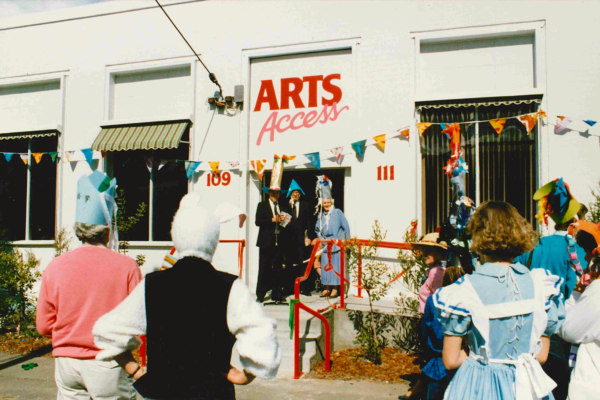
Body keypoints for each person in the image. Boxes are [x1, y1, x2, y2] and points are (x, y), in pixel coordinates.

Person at [93, 193, 281, 400]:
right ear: (213, 240)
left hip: (162, 393)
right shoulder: (230, 286)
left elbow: (107, 331)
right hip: (214, 393)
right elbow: (264, 341)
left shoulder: (151, 284)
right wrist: (243, 376)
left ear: (176, 236)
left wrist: (136, 372)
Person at [434, 201, 565, 400]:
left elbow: (451, 360)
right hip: (527, 386)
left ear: (478, 236)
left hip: (480, 384)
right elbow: (541, 356)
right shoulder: (541, 285)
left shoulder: (465, 289)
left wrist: (478, 357)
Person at [36, 170, 141, 400]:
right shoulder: (126, 267)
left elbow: (44, 326)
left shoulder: (56, 266)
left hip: (66, 364)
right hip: (109, 362)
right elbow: (138, 322)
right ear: (108, 227)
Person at [514, 178, 587, 400]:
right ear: (576, 221)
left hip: (530, 322)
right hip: (559, 327)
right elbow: (580, 284)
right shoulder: (577, 249)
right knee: (559, 382)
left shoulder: (535, 246)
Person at [399, 266, 465, 400]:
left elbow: (426, 329)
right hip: (460, 355)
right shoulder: (466, 300)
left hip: (438, 353)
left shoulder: (434, 299)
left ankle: (415, 392)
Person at [559, 220, 600, 400]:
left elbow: (568, 329)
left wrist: (575, 294)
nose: (586, 259)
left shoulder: (598, 292)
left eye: (590, 253)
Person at [255, 157, 290, 303]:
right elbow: (258, 221)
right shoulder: (262, 205)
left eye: (277, 193)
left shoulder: (282, 206)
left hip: (279, 242)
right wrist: (272, 220)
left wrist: (284, 220)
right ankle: (260, 294)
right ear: (268, 193)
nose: (275, 195)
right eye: (272, 193)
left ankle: (277, 295)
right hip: (265, 241)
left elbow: (289, 221)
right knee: (263, 268)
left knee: (277, 269)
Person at [284, 179, 316, 296]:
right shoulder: (286, 204)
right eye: (293, 192)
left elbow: (309, 222)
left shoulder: (305, 205)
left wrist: (309, 237)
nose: (295, 194)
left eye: (297, 192)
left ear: (300, 193)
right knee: (289, 264)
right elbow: (283, 223)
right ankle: (288, 288)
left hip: (302, 239)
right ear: (290, 193)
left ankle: (305, 288)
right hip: (288, 240)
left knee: (303, 263)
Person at [315, 197, 350, 298]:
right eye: (324, 203)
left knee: (335, 266)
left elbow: (345, 227)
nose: (326, 205)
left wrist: (344, 240)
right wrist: (321, 238)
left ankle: (335, 289)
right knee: (326, 267)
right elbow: (317, 229)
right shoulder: (320, 215)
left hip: (336, 244)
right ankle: (326, 288)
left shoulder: (337, 212)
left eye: (328, 202)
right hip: (326, 244)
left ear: (332, 202)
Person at [412, 233, 448, 314]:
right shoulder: (434, 270)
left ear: (438, 252)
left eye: (428, 251)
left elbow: (439, 299)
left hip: (431, 320)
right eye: (423, 250)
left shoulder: (436, 272)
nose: (424, 254)